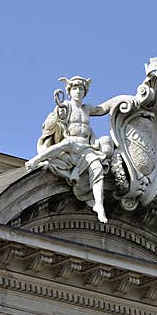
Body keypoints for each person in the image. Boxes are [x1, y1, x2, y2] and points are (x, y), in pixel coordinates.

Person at [25, 76, 124, 224]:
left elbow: (104, 108)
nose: (78, 92)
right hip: (72, 142)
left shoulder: (87, 109)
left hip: (86, 147)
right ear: (70, 91)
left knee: (97, 168)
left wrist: (122, 99)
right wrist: (60, 113)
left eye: (81, 89)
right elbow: (58, 119)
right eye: (75, 89)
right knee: (62, 146)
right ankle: (35, 161)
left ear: (85, 92)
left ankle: (99, 204)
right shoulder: (67, 105)